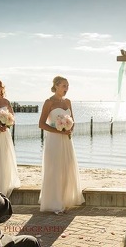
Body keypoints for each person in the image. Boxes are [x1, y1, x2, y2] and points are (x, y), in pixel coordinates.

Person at [38, 76, 84, 213]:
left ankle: (64, 199)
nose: (66, 88)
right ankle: (53, 202)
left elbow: (73, 121)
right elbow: (41, 124)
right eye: (64, 85)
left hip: (67, 140)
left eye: (68, 86)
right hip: (54, 140)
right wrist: (58, 131)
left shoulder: (68, 102)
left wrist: (69, 129)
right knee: (54, 169)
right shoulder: (49, 102)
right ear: (56, 86)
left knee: (67, 167)